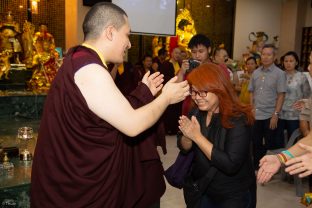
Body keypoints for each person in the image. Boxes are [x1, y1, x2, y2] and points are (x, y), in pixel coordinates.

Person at [30, 2, 189, 208]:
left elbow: (107, 115)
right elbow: (131, 126)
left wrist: (144, 92)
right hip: (78, 191)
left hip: (75, 177)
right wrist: (165, 97)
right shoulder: (90, 69)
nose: (129, 44)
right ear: (110, 32)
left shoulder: (80, 60)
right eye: (127, 35)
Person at [178, 63, 256, 208]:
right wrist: (187, 137)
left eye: (202, 92)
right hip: (203, 187)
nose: (197, 98)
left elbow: (230, 164)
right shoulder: (196, 112)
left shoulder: (238, 119)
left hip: (232, 194)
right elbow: (183, 147)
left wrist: (197, 137)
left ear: (218, 89)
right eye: (194, 92)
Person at [248, 44, 287, 170]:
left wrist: (276, 114)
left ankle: (267, 168)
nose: (265, 57)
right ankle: (256, 168)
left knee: (269, 144)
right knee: (256, 142)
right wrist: (251, 108)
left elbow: (281, 95)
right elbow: (251, 92)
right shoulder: (255, 72)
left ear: (274, 57)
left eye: (269, 54)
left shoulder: (280, 74)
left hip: (270, 115)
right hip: (256, 114)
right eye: (263, 54)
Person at [277, 51, 310, 141]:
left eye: (291, 61)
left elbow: (308, 95)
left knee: (293, 141)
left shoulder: (302, 77)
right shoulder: (279, 75)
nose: (288, 63)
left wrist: (304, 107)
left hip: (295, 115)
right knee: (278, 141)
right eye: (286, 61)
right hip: (279, 114)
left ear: (296, 62)